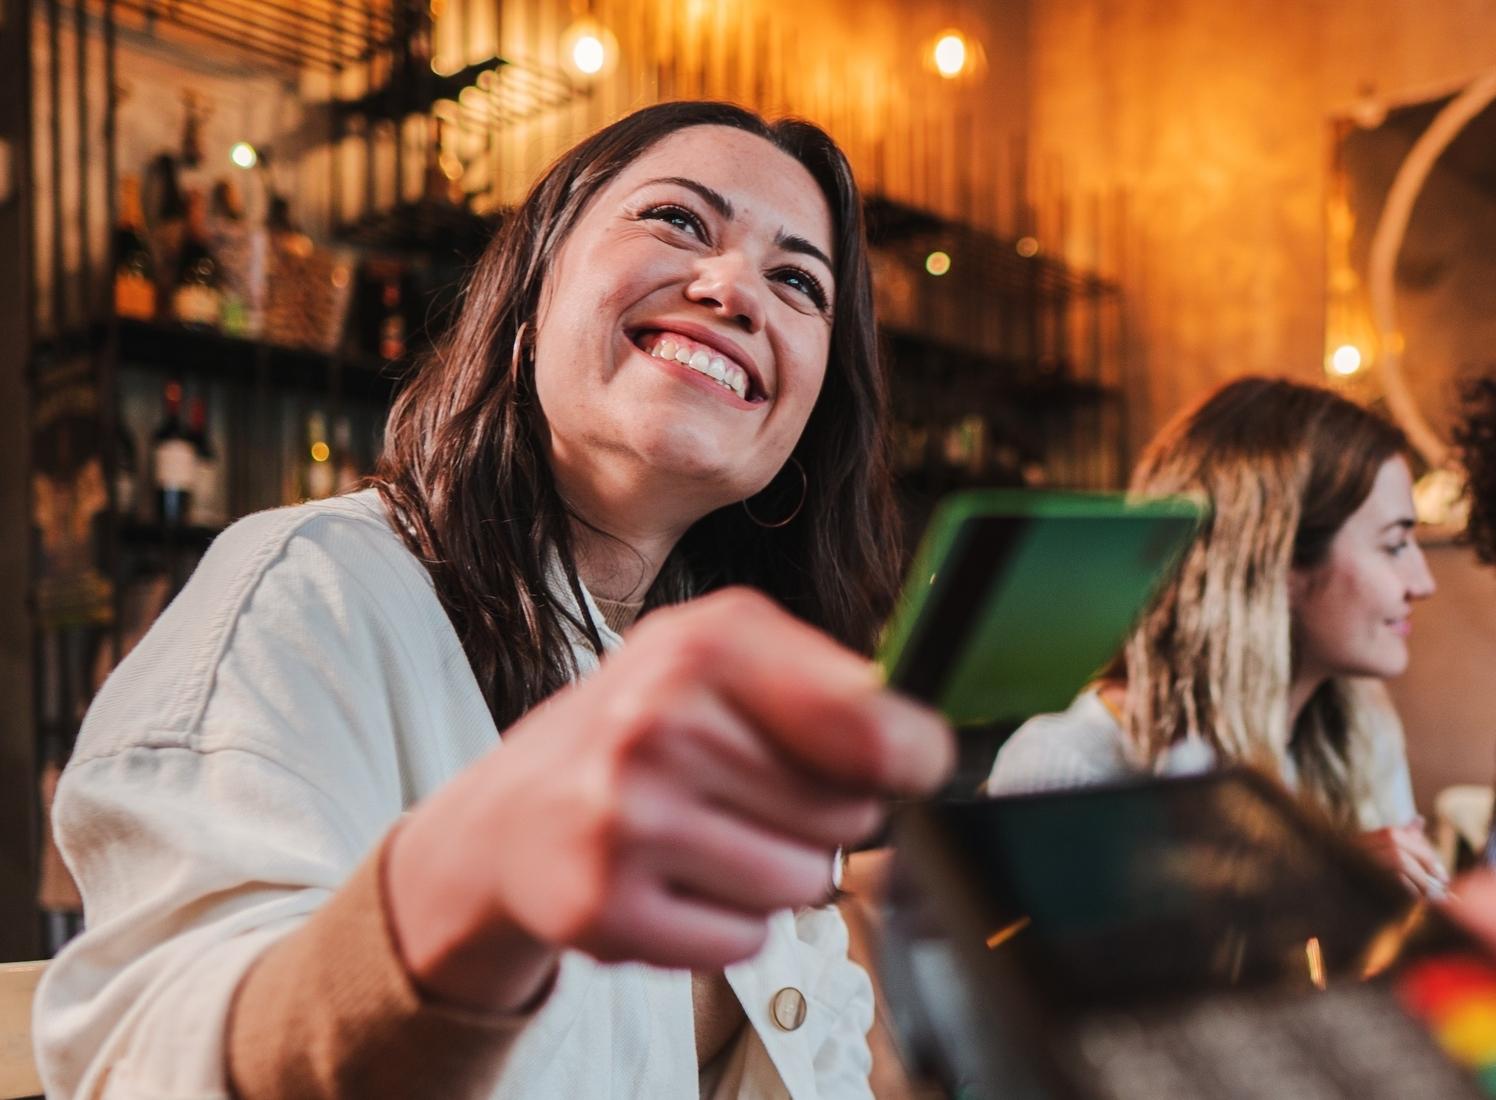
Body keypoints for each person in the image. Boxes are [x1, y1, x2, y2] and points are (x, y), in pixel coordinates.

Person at [34, 101, 953, 1099]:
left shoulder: (756, 703)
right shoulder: (311, 589)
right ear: (533, 285)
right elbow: (148, 1063)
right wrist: (469, 882)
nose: (733, 286)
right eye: (678, 220)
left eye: (796, 281)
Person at [986, 376, 1446, 897]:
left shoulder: (1359, 728)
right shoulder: (1068, 769)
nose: (1423, 584)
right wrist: (1322, 887)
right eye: (1394, 545)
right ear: (1276, 564)